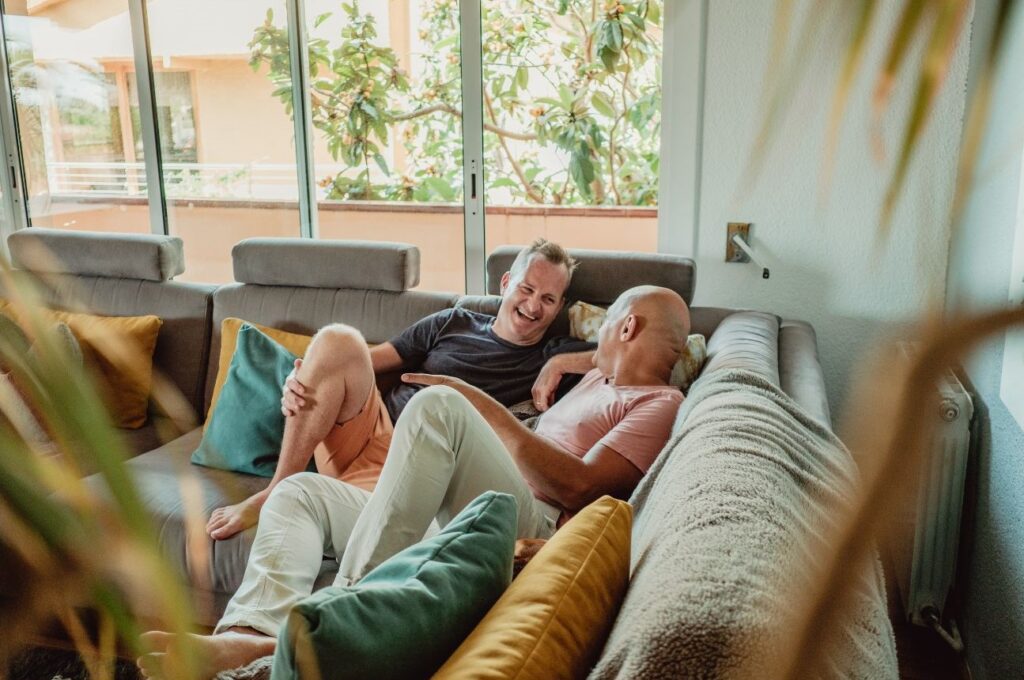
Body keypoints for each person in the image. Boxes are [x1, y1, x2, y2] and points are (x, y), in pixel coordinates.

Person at [139, 285, 690, 680]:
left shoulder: (659, 402)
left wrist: (478, 402)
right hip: (463, 503)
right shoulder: (598, 373)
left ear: (627, 326)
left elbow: (582, 488)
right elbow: (610, 355)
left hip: (529, 522)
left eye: (608, 322)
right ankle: (254, 636)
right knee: (298, 492)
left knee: (440, 405)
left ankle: (340, 625)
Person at [205, 238, 593, 540]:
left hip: (426, 464)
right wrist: (302, 379)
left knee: (386, 518)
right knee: (339, 339)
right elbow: (360, 361)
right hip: (368, 432)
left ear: (559, 308)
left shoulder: (552, 353)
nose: (533, 306)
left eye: (548, 299)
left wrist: (562, 362)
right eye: (527, 289)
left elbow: (641, 356)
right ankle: (277, 489)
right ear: (506, 284)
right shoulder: (452, 321)